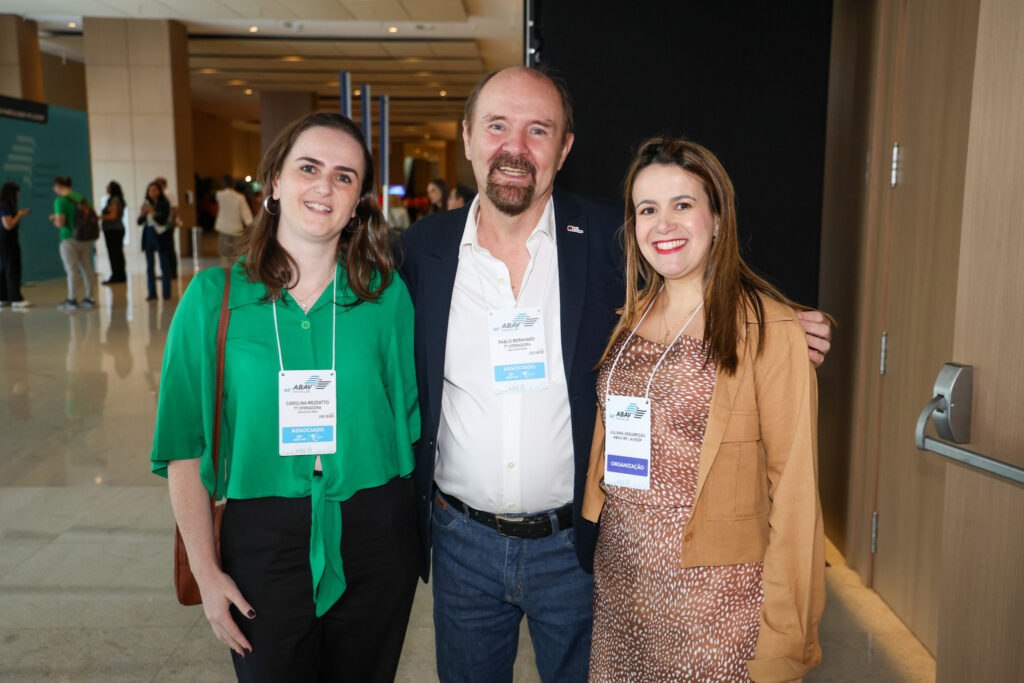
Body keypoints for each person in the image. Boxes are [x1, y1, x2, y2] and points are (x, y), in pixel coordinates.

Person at [397, 67, 832, 682]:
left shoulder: (609, 235)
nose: (515, 148)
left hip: (577, 545)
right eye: (497, 126)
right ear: (467, 136)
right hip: (463, 542)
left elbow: (694, 260)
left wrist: (785, 322)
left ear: (565, 148)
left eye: (538, 130)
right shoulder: (421, 251)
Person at [151, 111, 420, 682]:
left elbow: (410, 427)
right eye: (309, 168)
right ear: (275, 182)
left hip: (375, 536)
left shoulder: (384, 297)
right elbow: (183, 449)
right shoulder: (212, 299)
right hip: (262, 542)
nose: (325, 186)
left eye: (345, 177)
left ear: (358, 204)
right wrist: (206, 572)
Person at [582, 138, 823, 682]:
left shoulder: (770, 327)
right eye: (647, 209)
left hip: (715, 601)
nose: (663, 224)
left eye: (682, 205)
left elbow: (796, 495)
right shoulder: (630, 318)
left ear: (717, 217)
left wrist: (785, 638)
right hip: (623, 584)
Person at [49, 176, 97, 311]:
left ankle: (72, 299)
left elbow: (60, 223)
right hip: (85, 237)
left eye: (55, 187)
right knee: (87, 268)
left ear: (59, 186)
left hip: (69, 238)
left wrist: (53, 218)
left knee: (72, 269)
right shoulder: (82, 199)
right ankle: (90, 298)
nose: (54, 190)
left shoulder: (60, 201)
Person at [138, 181, 175, 301]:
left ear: (159, 191)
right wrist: (143, 213)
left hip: (161, 236)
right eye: (150, 190)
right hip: (149, 234)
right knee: (150, 266)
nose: (151, 192)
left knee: (164, 264)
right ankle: (152, 293)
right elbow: (139, 222)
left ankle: (166, 293)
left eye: (154, 190)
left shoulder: (164, 204)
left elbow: (163, 220)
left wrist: (153, 212)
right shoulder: (146, 203)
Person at [0, 182, 31, 309]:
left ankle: (3, 297)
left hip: (3, 240)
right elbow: (8, 225)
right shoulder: (5, 206)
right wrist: (19, 215)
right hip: (7, 239)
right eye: (17, 194)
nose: (17, 197)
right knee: (13, 267)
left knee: (3, 267)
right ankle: (15, 298)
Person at [214, 177, 254, 268]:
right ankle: (236, 275)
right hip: (236, 229)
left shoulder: (219, 195)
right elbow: (246, 214)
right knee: (237, 255)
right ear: (234, 185)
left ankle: (226, 275)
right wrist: (251, 226)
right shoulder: (240, 197)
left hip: (223, 228)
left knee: (224, 255)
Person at [100, 181, 127, 284]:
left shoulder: (114, 200)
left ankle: (117, 275)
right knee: (118, 253)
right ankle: (120, 275)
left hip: (113, 230)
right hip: (115, 229)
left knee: (114, 254)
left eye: (108, 187)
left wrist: (99, 217)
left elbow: (113, 216)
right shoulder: (115, 199)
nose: (106, 188)